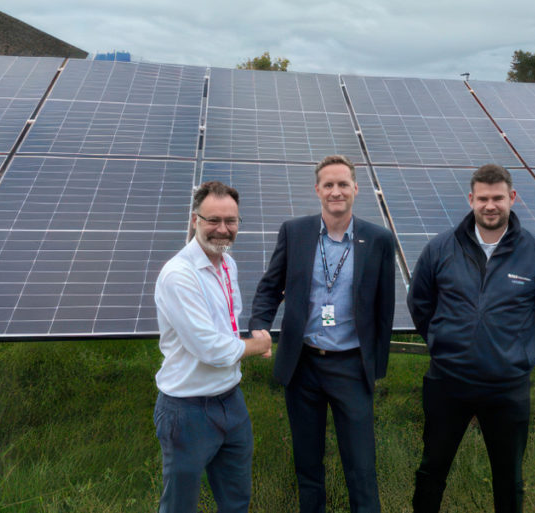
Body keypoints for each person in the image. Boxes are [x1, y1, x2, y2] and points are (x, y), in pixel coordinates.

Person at [407, 164, 535, 513]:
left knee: (508, 479)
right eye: (483, 198)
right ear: (471, 200)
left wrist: (519, 350)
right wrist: (442, 341)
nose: (490, 205)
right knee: (431, 470)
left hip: (506, 388)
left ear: (512, 198)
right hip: (447, 383)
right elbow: (420, 305)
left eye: (498, 197)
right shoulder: (440, 249)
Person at [249, 154, 395, 513]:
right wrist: (259, 326)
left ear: (356, 190)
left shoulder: (378, 240)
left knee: (361, 466)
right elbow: (270, 286)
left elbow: (385, 308)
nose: (336, 191)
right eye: (328, 185)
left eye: (343, 184)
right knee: (308, 463)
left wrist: (376, 365)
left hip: (351, 366)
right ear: (317, 190)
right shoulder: (294, 232)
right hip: (304, 365)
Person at [153, 181, 272, 513]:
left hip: (232, 402)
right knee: (179, 506)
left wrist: (244, 344)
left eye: (231, 221)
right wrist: (258, 344)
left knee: (236, 502)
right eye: (213, 220)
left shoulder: (227, 265)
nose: (223, 229)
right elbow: (212, 348)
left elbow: (228, 328)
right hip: (187, 410)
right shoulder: (179, 275)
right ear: (195, 220)